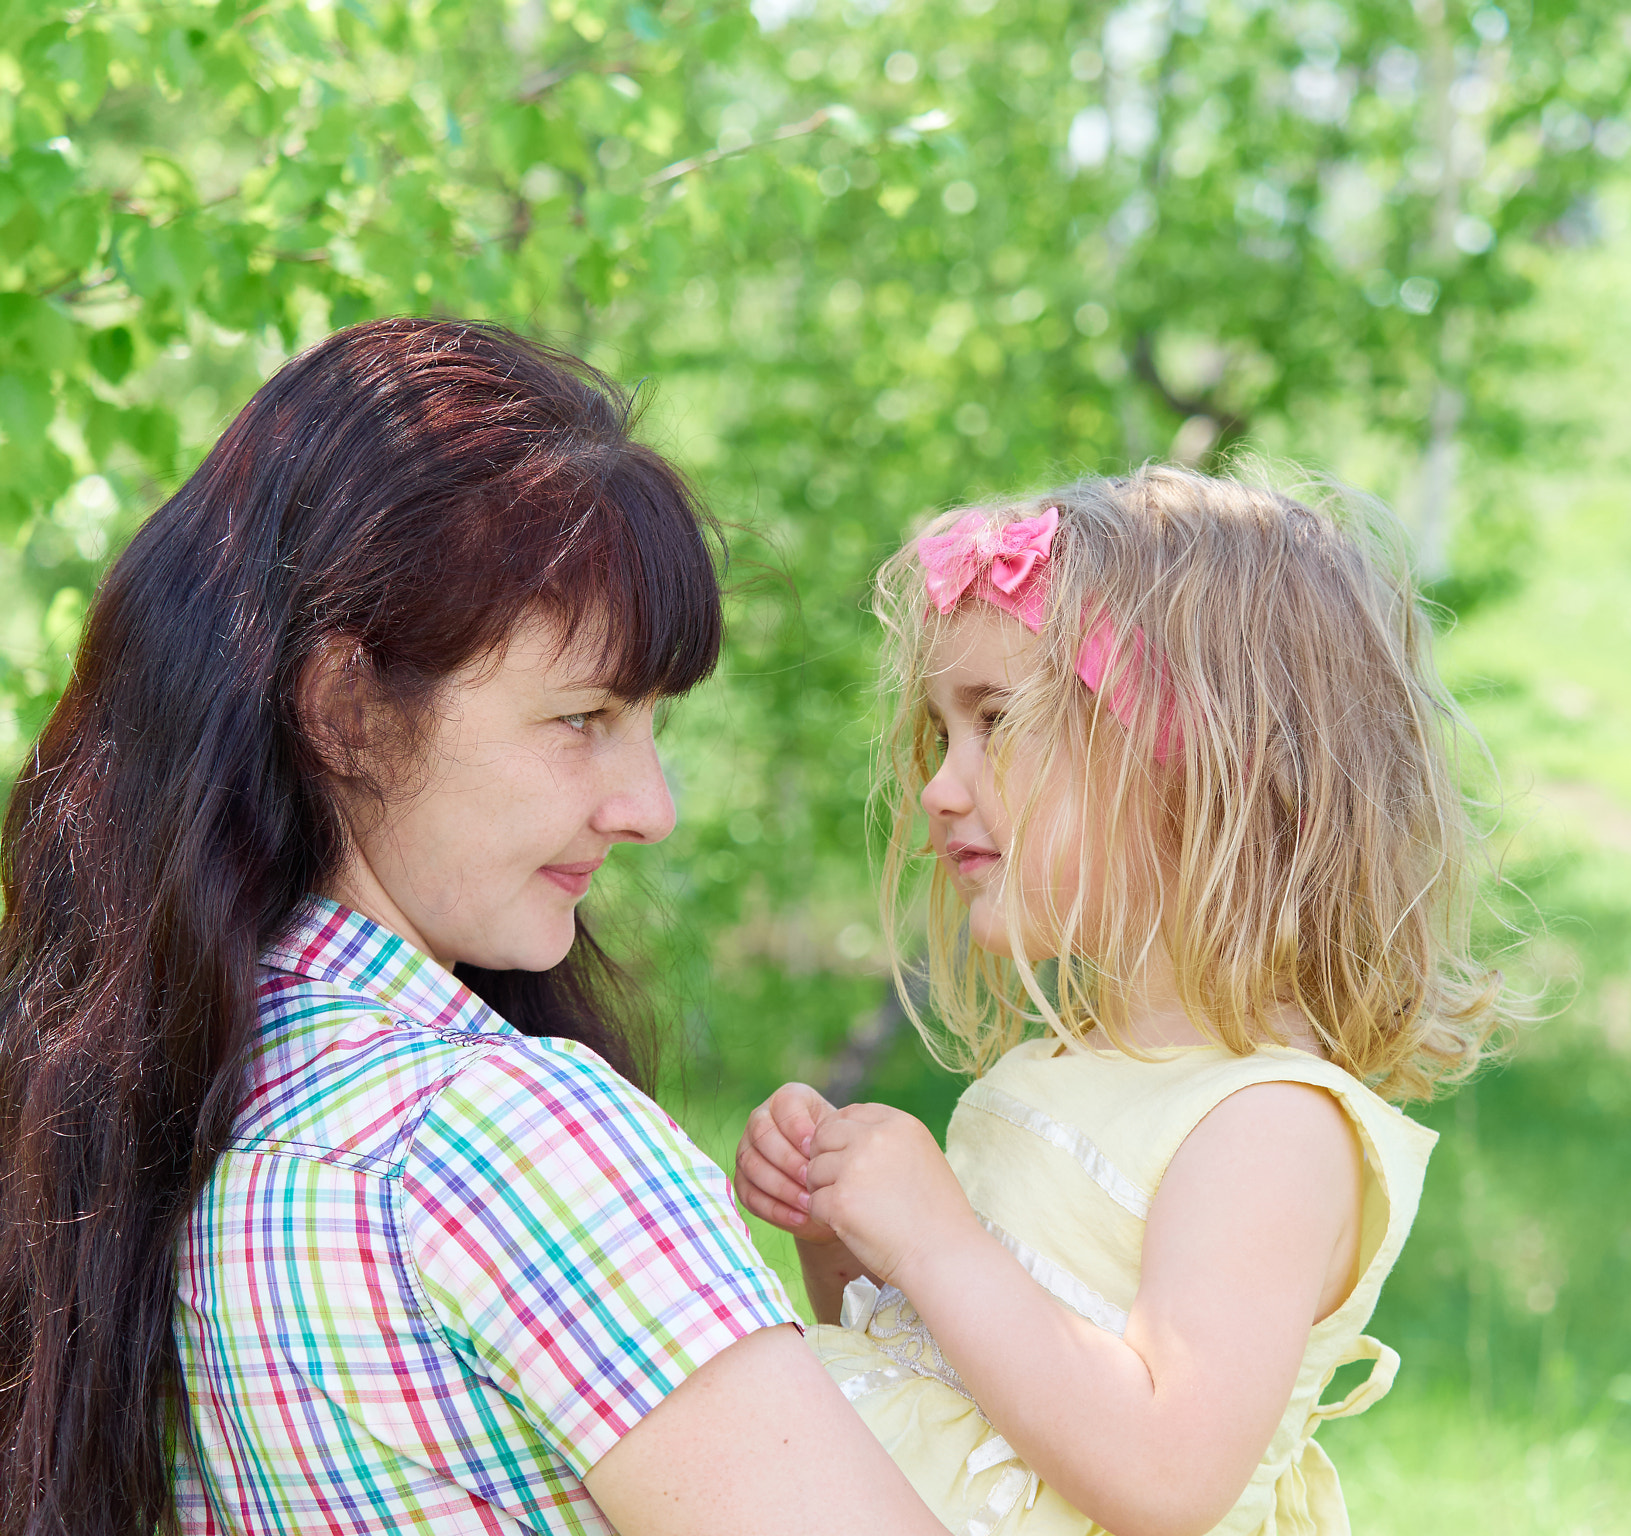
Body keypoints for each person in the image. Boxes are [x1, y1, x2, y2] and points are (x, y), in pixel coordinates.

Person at [0, 319, 948, 1536]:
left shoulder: (130, 1127)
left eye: (650, 722)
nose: (647, 808)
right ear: (345, 710)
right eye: (579, 718)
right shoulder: (498, 1140)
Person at [737, 467, 1511, 1536]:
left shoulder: (1265, 1126)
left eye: (996, 721)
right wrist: (845, 1238)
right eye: (941, 732)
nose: (939, 786)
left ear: (1197, 765)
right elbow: (947, 1395)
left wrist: (931, 1239)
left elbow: (1160, 1475)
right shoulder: (1054, 1069)